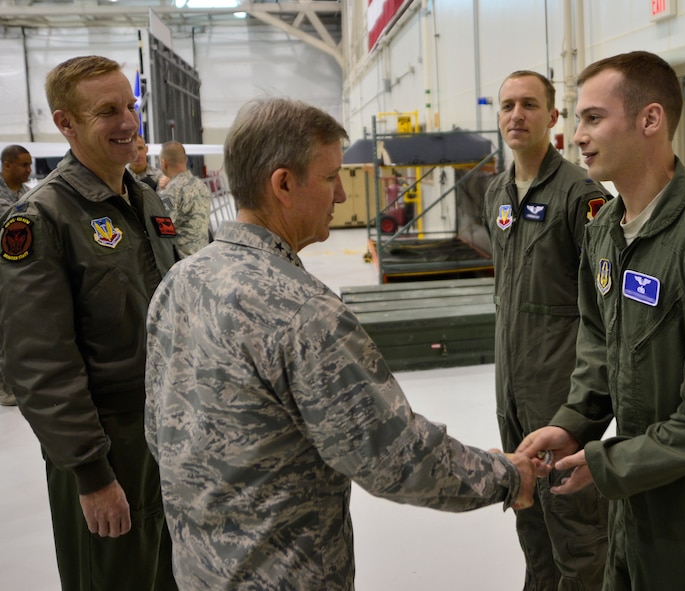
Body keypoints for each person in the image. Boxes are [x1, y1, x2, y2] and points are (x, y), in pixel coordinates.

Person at [144, 97, 537, 591]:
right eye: (331, 177)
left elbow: (159, 431)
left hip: (199, 571)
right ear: (283, 184)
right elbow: (393, 455)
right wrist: (507, 476)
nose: (343, 196)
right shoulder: (302, 311)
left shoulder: (180, 281)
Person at [519, 50, 685, 590]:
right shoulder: (605, 232)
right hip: (635, 493)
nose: (578, 136)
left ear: (650, 119)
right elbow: (599, 345)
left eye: (594, 118)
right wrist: (574, 424)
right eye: (579, 119)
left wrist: (611, 465)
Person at [0, 55, 178, 591]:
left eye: (131, 106)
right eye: (107, 112)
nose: (128, 122)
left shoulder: (146, 200)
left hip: (168, 428)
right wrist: (92, 473)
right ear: (65, 123)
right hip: (108, 440)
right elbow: (38, 361)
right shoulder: (42, 218)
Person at [483, 70, 610, 590]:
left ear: (553, 117)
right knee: (526, 509)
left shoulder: (581, 195)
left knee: (576, 526)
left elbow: (605, 309)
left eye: (530, 105)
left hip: (559, 391)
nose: (517, 115)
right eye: (508, 105)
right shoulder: (496, 192)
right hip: (512, 390)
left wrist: (585, 402)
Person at [0, 144, 33, 406]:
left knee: (16, 328)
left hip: (18, 270)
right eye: (23, 164)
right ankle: (4, 386)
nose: (28, 170)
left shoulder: (27, 193)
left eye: (29, 164)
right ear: (7, 165)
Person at [158, 140, 211, 256]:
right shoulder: (201, 185)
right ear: (186, 160)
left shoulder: (171, 191)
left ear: (164, 163)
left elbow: (162, 231)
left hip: (183, 260)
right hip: (203, 256)